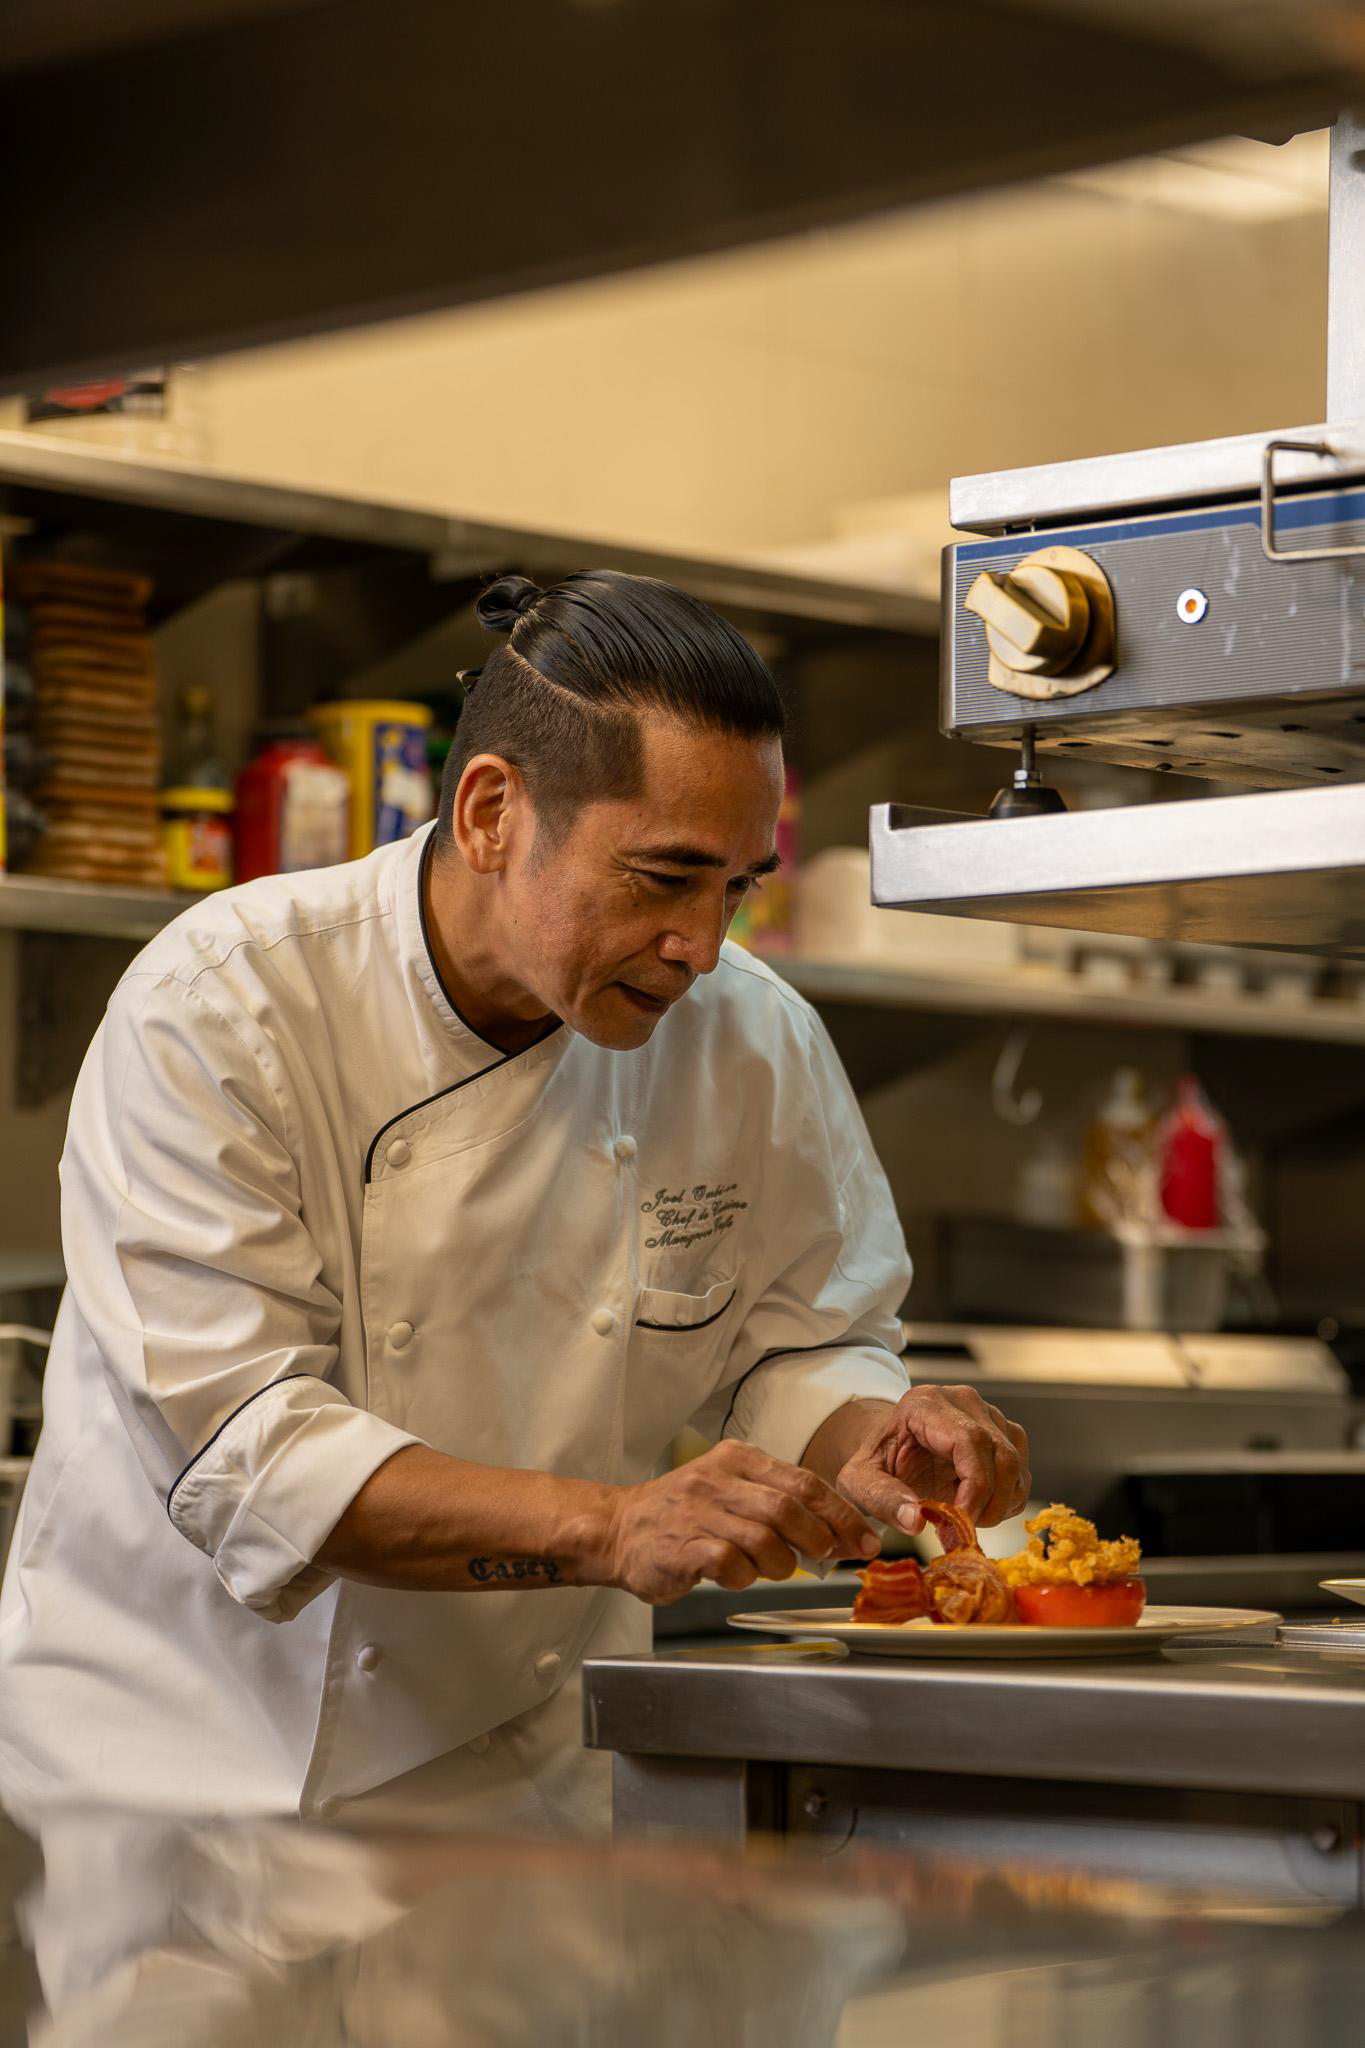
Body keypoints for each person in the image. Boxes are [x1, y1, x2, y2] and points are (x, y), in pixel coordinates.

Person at [0, 571, 1028, 1827]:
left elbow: (798, 1336)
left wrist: (869, 1436)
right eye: (663, 877)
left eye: (737, 888)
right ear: (492, 810)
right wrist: (611, 1528)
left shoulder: (753, 1038)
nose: (703, 945)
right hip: (177, 1781)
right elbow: (252, 1458)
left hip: (518, 1785)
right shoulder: (225, 1006)